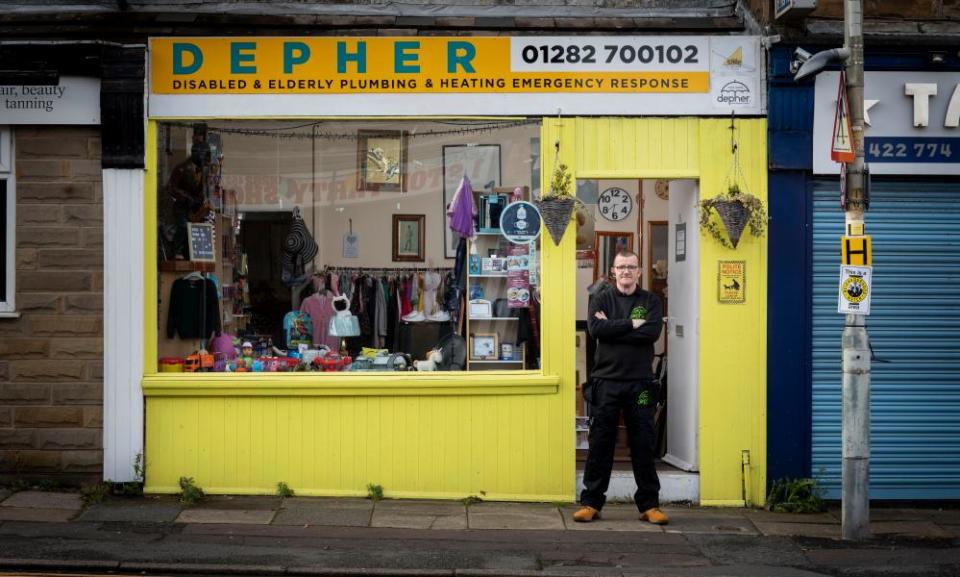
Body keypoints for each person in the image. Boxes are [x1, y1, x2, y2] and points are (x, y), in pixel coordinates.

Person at [574, 250, 668, 525]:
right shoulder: (600, 298)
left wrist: (613, 327)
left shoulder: (650, 300)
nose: (626, 271)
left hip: (639, 384)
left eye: (631, 267)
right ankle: (591, 503)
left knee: (642, 443)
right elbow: (596, 330)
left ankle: (649, 506)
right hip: (607, 383)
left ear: (639, 271)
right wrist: (630, 324)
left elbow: (650, 333)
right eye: (621, 267)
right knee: (601, 443)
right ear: (613, 271)